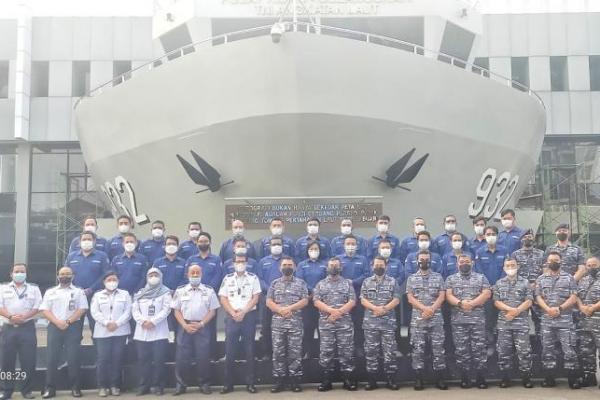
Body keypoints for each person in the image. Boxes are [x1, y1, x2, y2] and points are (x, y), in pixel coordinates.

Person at [40, 267, 88, 399]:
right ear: (57, 276)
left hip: (73, 327)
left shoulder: (78, 291)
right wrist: (57, 322)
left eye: (68, 273)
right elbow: (45, 310)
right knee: (52, 358)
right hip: (54, 326)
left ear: (73, 276)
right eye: (62, 274)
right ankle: (50, 389)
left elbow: (82, 309)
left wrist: (67, 321)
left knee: (74, 358)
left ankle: (75, 388)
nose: (65, 275)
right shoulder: (50, 292)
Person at [535, 251, 580, 389]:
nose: (553, 262)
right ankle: (549, 378)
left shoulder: (569, 278)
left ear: (561, 261)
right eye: (551, 260)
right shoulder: (541, 279)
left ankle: (572, 378)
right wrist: (548, 309)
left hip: (565, 320)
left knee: (569, 349)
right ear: (547, 262)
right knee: (547, 349)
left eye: (556, 260)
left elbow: (574, 297)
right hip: (547, 320)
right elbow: (538, 297)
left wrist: (560, 308)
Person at [172, 265, 220, 395]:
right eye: (192, 272)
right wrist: (185, 325)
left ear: (201, 274)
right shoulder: (180, 290)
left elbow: (212, 311)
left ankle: (204, 384)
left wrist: (201, 324)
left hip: (202, 326)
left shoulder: (209, 291)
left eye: (197, 272)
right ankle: (180, 385)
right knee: (182, 357)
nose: (194, 275)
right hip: (185, 326)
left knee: (203, 356)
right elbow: (176, 311)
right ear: (187, 274)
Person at [445, 254, 491, 389]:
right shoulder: (450, 279)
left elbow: (487, 293)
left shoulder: (481, 277)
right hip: (458, 320)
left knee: (479, 349)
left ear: (472, 263)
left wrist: (472, 304)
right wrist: (460, 303)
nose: (464, 263)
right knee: (461, 349)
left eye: (467, 261)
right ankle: (465, 377)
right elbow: (448, 295)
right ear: (457, 264)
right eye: (461, 262)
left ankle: (480, 377)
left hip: (477, 320)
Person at [313, 257, 357, 392]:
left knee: (346, 351)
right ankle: (326, 381)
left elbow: (352, 301)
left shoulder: (347, 283)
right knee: (326, 351)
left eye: (336, 265)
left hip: (344, 323)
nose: (333, 267)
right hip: (327, 323)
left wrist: (339, 312)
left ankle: (347, 379)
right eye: (331, 265)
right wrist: (332, 311)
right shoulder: (320, 284)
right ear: (327, 268)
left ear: (341, 267)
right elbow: (316, 301)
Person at [265, 257, 309, 393]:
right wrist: (280, 310)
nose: (287, 267)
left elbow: (305, 301)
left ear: (294, 267)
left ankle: (295, 380)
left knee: (295, 353)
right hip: (278, 324)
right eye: (284, 265)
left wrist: (289, 309)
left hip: (295, 323)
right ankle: (279, 381)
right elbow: (268, 301)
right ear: (280, 268)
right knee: (278, 352)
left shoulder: (301, 283)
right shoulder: (274, 283)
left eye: (290, 265)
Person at [218, 259, 261, 394]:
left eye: (242, 261)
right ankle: (228, 384)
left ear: (246, 264)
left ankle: (250, 383)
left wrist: (243, 312)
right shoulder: (228, 278)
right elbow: (223, 298)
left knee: (250, 351)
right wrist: (233, 313)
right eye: (237, 261)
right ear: (233, 264)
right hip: (232, 316)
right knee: (230, 351)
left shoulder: (253, 278)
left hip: (248, 316)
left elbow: (256, 298)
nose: (240, 264)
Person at [406, 251, 447, 390]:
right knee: (418, 350)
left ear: (431, 261)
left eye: (427, 259)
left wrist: (432, 309)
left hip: (436, 319)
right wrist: (424, 309)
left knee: (438, 349)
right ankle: (418, 379)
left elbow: (442, 296)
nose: (424, 261)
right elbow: (410, 298)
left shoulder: (438, 277)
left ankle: (440, 379)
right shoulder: (411, 278)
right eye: (421, 259)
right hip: (418, 320)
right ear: (417, 261)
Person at [0, 263, 42, 400]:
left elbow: (37, 307)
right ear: (11, 274)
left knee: (28, 361)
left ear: (26, 274)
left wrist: (24, 317)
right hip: (8, 328)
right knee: (6, 361)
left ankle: (27, 390)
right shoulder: (3, 288)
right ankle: (6, 390)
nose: (19, 273)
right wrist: (11, 317)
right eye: (16, 271)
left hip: (27, 328)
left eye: (22, 271)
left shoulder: (34, 289)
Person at [360, 256, 401, 391]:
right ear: (372, 267)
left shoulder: (393, 281)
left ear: (386, 266)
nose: (379, 267)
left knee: (390, 352)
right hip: (370, 323)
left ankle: (391, 379)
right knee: (371, 352)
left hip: (388, 323)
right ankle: (372, 380)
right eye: (376, 265)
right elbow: (363, 300)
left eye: (381, 265)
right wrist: (375, 308)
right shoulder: (366, 282)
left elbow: (396, 299)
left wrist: (384, 309)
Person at [493, 258, 533, 388]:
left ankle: (526, 377)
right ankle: (506, 377)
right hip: (504, 323)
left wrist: (517, 311)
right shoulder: (499, 283)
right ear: (504, 268)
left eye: (513, 265)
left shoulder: (525, 282)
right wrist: (511, 310)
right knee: (504, 351)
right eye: (508, 266)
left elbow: (529, 301)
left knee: (524, 351)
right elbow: (496, 302)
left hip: (521, 324)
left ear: (518, 266)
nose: (510, 268)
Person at [132, 268, 173, 396]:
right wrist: (143, 321)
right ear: (147, 277)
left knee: (159, 360)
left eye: (156, 275)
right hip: (142, 332)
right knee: (143, 361)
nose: (153, 277)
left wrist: (153, 322)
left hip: (159, 332)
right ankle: (144, 386)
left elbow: (166, 309)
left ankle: (159, 386)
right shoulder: (140, 293)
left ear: (160, 277)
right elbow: (134, 310)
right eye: (151, 275)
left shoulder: (166, 292)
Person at [90, 271, 132, 397]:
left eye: (114, 279)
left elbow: (128, 312)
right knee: (103, 359)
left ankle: (115, 385)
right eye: (109, 280)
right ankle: (102, 386)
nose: (112, 282)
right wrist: (107, 323)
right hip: (103, 331)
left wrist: (117, 324)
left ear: (118, 281)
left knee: (117, 359)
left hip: (120, 331)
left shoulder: (125, 294)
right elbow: (94, 312)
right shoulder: (98, 295)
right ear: (104, 282)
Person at [65, 231, 110, 332]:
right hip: (76, 296)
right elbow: (66, 274)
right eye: (84, 239)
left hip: (95, 296)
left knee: (96, 326)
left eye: (89, 239)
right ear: (79, 242)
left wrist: (91, 289)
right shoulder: (71, 256)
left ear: (94, 241)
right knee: (74, 327)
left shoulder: (102, 256)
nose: (86, 241)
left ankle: (96, 342)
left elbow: (105, 275)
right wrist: (75, 289)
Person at [474, 226, 508, 355]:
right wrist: (488, 286)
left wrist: (498, 285)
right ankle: (490, 344)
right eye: (488, 234)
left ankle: (502, 345)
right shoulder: (479, 252)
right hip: (486, 292)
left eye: (493, 233)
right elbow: (479, 271)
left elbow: (507, 268)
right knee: (488, 319)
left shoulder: (504, 251)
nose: (491, 236)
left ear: (497, 235)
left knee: (502, 319)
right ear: (484, 236)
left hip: (502, 291)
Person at [339, 234, 369, 356]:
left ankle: (358, 347)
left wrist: (354, 282)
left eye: (353, 244)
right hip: (342, 298)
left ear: (357, 246)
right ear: (344, 245)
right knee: (342, 324)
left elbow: (366, 275)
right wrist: (344, 282)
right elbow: (334, 273)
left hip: (359, 296)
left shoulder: (363, 259)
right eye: (348, 244)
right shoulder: (338, 259)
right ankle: (344, 349)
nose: (350, 246)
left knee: (359, 323)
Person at [296, 241, 327, 358]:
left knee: (322, 328)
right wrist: (313, 291)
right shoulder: (301, 265)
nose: (314, 251)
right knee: (307, 327)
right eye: (311, 249)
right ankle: (307, 352)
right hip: (307, 300)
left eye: (316, 249)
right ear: (307, 251)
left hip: (323, 301)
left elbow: (327, 279)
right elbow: (300, 281)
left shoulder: (325, 264)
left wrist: (318, 291)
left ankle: (322, 353)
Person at [257, 236, 286, 360]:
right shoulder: (263, 261)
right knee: (266, 326)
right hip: (267, 299)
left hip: (284, 299)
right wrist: (271, 290)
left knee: (284, 326)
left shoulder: (287, 260)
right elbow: (259, 278)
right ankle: (267, 353)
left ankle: (284, 352)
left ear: (282, 246)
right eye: (274, 244)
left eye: (278, 244)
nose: (276, 246)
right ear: (269, 246)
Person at [576, 256, 600, 388]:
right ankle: (589, 377)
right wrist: (582, 307)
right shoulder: (583, 280)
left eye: (594, 265)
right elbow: (577, 296)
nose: (591, 268)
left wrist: (593, 307)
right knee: (586, 351)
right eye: (589, 265)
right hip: (584, 321)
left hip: (598, 319)